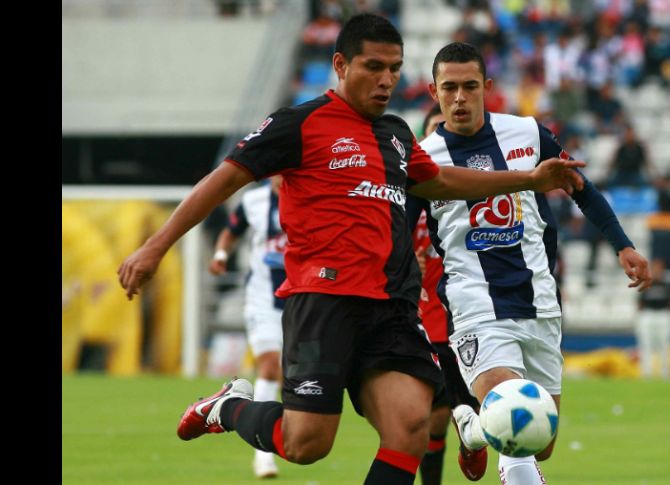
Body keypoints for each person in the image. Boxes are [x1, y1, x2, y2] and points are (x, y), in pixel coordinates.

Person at [117, 14, 586, 485]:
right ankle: (229, 408)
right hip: (325, 302)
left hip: (391, 308)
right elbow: (222, 181)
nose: (385, 80)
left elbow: (441, 181)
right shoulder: (297, 124)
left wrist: (528, 179)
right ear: (340, 64)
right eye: (373, 67)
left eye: (394, 69)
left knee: (409, 429)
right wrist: (154, 248)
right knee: (306, 445)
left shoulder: (397, 134)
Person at [406, 42, 651, 485]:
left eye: (469, 86)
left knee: (541, 440)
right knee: (515, 420)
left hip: (539, 299)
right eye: (449, 88)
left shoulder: (527, 133)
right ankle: (490, 430)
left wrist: (623, 245)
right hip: (475, 303)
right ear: (433, 91)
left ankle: (472, 428)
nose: (460, 97)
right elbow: (399, 235)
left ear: (488, 87)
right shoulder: (422, 160)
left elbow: (580, 187)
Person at [413, 105, 486, 484]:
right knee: (434, 417)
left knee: (463, 412)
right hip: (426, 318)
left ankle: (474, 444)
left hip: (469, 309)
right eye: (432, 131)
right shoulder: (412, 191)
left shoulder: (469, 190)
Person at [207, 176, 286, 478]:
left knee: (294, 375)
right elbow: (231, 231)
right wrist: (220, 255)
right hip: (262, 300)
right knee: (269, 367)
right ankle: (263, 455)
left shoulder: (312, 195)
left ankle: (283, 434)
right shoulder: (253, 201)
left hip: (302, 301)